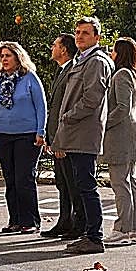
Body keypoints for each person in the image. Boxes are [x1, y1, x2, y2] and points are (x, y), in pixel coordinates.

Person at [55, 16, 113, 254]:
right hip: (75, 132)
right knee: (81, 185)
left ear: (97, 37)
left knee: (86, 186)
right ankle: (89, 235)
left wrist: (69, 116)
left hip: (84, 132)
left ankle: (94, 237)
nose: (79, 36)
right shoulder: (82, 60)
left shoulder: (97, 61)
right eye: (77, 32)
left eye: (85, 33)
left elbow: (92, 98)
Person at [0, 41, 47, 234]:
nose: (4, 59)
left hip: (27, 135)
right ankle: (15, 220)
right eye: (1, 56)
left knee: (23, 178)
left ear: (18, 57)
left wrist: (40, 131)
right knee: (10, 179)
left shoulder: (30, 78)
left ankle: (31, 221)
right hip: (3, 135)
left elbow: (41, 106)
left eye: (7, 55)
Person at [99, 37, 136, 246]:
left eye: (113, 51)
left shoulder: (121, 75)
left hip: (122, 135)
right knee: (130, 181)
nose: (111, 54)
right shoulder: (133, 74)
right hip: (130, 133)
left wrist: (103, 124)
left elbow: (121, 108)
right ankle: (134, 230)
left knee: (120, 182)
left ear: (121, 53)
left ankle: (122, 229)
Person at [42, 32, 85, 240]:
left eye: (55, 45)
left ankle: (77, 223)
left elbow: (65, 107)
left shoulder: (72, 71)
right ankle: (64, 220)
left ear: (64, 49)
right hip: (56, 136)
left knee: (72, 183)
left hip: (65, 138)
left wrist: (60, 138)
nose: (52, 48)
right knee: (62, 182)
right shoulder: (61, 71)